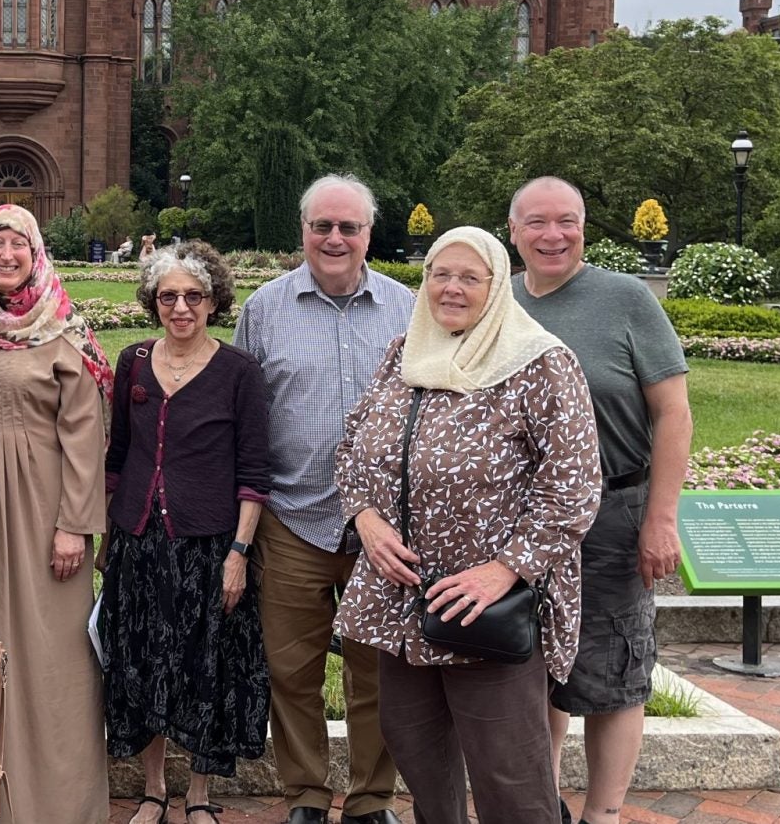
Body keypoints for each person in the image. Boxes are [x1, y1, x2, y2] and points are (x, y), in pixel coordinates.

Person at [334, 226, 601, 824]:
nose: (451, 288)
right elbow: (351, 447)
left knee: (510, 777)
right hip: (402, 602)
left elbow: (574, 488)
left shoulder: (540, 363)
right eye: (439, 274)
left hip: (486, 610)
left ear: (496, 286)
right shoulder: (405, 354)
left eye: (469, 277)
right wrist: (367, 520)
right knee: (417, 753)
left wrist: (504, 570)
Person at [508, 177, 693, 824]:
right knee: (530, 668)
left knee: (612, 669)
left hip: (611, 515)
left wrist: (660, 517)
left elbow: (673, 413)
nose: (552, 234)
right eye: (537, 222)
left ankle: (602, 813)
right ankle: (541, 804)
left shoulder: (626, 299)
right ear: (513, 232)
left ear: (585, 227)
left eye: (567, 221)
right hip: (519, 523)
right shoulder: (494, 301)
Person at [231, 174, 412, 824]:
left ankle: (370, 799)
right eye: (321, 226)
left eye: (349, 227)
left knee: (378, 672)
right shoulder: (265, 308)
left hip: (383, 530)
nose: (334, 238)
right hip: (292, 517)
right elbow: (244, 417)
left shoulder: (408, 308)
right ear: (303, 230)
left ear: (369, 233)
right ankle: (305, 793)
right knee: (291, 669)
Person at [0, 204, 111, 824]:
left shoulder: (64, 332)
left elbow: (86, 436)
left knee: (48, 656)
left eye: (19, 245)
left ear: (37, 255)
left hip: (43, 515)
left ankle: (55, 803)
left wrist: (74, 525)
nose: (6, 255)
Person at [101, 242, 272, 824]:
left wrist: (240, 552)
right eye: (168, 295)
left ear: (214, 300)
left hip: (209, 544)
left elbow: (254, 471)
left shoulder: (239, 372)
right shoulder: (134, 361)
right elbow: (118, 454)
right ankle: (153, 790)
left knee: (207, 666)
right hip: (139, 539)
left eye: (193, 296)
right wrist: (107, 536)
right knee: (142, 661)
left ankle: (198, 795)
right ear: (152, 300)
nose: (180, 307)